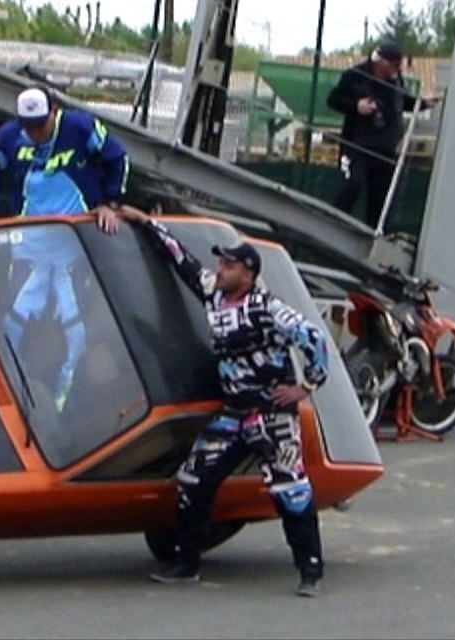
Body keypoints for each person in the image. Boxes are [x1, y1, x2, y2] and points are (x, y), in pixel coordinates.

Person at [117, 204, 332, 598]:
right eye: (222, 264)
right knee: (192, 480)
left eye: (230, 266)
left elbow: (313, 339)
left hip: (271, 415)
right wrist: (146, 222)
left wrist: (307, 387)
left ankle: (310, 570)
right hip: (233, 414)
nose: (221, 270)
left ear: (248, 274)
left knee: (290, 489)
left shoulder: (268, 308)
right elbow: (181, 260)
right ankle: (186, 563)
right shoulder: (214, 294)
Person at [0, 86, 130, 411]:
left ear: (54, 112)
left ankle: (61, 407)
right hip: (29, 247)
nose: (33, 133)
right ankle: (9, 399)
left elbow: (117, 157)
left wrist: (109, 203)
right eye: (27, 126)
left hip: (74, 247)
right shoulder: (8, 136)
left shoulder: (80, 128)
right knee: (12, 324)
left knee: (75, 332)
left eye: (40, 125)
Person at [326, 42, 436, 228]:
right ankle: (333, 223)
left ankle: (373, 232)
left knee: (380, 197)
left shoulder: (396, 80)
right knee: (353, 184)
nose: (397, 69)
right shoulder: (355, 75)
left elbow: (403, 101)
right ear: (381, 62)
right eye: (393, 64)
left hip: (385, 148)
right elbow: (333, 100)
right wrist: (356, 106)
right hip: (357, 145)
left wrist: (423, 103)